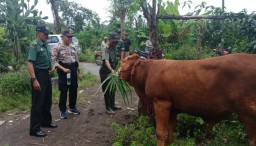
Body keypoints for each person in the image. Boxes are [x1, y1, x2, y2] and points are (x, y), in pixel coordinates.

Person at [27, 24, 57, 137]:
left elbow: (49, 60)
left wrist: (52, 67)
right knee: (37, 103)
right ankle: (34, 129)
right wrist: (34, 79)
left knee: (47, 100)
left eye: (47, 33)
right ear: (38, 32)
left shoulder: (45, 45)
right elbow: (30, 63)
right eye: (44, 33)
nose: (47, 35)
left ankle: (46, 122)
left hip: (46, 75)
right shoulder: (34, 46)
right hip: (38, 75)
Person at [52, 30, 82, 119]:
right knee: (64, 90)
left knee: (73, 89)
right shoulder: (57, 48)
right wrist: (63, 69)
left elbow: (77, 60)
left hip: (72, 69)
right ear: (63, 37)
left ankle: (72, 108)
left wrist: (79, 72)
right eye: (68, 37)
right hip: (63, 70)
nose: (70, 38)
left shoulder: (73, 47)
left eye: (71, 37)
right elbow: (54, 62)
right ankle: (62, 110)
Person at [99, 32, 122, 115]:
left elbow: (116, 58)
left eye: (116, 42)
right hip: (105, 71)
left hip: (113, 70)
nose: (116, 43)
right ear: (110, 40)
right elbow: (106, 61)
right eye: (114, 42)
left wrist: (118, 67)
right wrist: (111, 70)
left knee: (113, 88)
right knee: (107, 90)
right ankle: (108, 107)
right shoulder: (106, 48)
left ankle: (112, 105)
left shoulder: (114, 47)